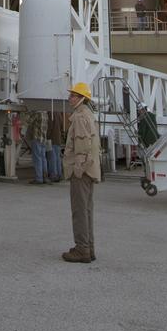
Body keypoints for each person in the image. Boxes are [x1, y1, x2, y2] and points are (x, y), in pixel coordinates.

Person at [62, 81, 101, 263]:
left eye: (73, 95)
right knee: (86, 209)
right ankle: (88, 247)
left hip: (82, 172)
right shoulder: (88, 114)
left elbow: (83, 147)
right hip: (90, 170)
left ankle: (81, 249)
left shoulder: (79, 117)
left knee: (79, 210)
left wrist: (78, 170)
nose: (70, 98)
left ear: (81, 98)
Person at [24, 107, 48, 184]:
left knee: (37, 159)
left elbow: (28, 121)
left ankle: (39, 178)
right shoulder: (45, 113)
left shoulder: (37, 113)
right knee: (43, 158)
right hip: (43, 138)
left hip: (36, 138)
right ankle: (45, 177)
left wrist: (28, 112)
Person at [47, 107, 64, 182]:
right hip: (58, 138)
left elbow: (49, 127)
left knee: (52, 158)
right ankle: (59, 174)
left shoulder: (50, 113)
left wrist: (47, 136)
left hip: (52, 138)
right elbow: (61, 126)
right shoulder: (58, 112)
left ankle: (53, 174)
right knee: (57, 157)